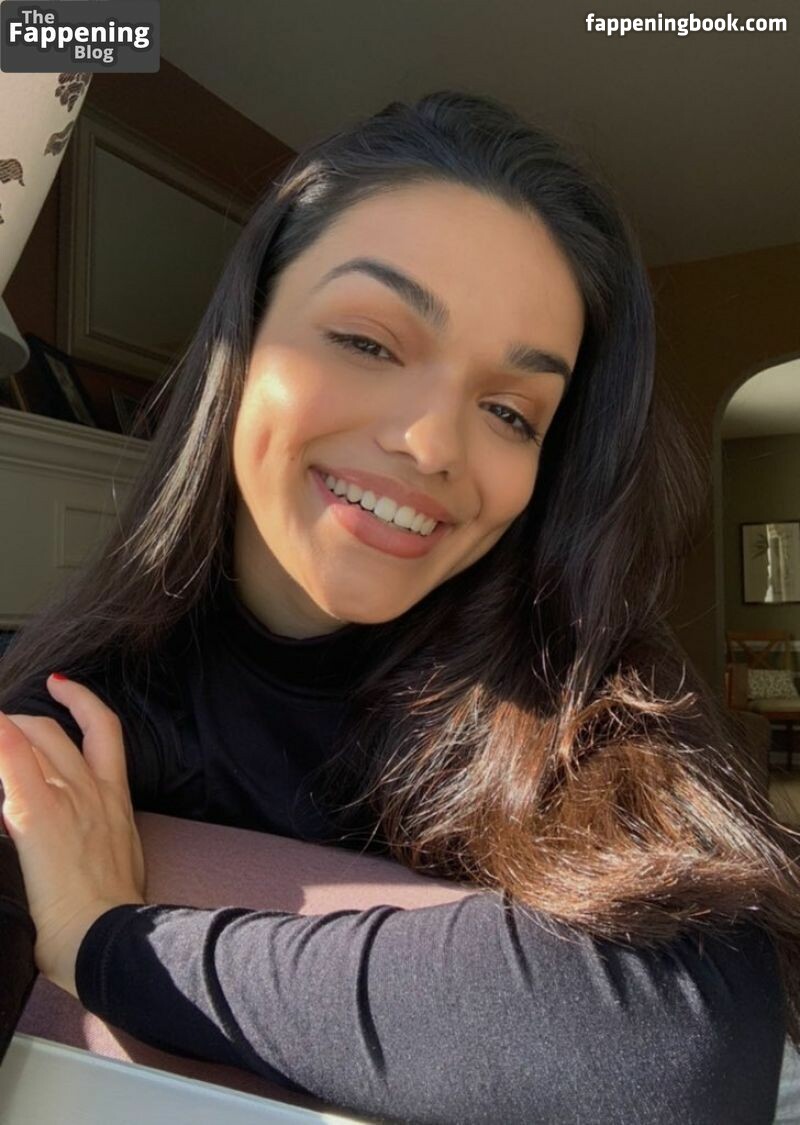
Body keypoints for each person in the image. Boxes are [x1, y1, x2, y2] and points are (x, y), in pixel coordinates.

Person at [0, 89, 798, 1125]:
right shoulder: (74, 716)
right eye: (369, 342)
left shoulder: (580, 696)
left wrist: (110, 943)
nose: (430, 444)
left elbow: (682, 1035)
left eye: (508, 409)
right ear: (241, 341)